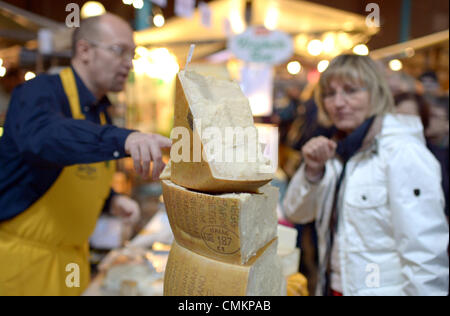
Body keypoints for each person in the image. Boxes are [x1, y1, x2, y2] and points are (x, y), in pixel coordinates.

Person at [0, 13, 171, 296]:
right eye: (119, 51)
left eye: (133, 54)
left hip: (73, 264)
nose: (128, 63)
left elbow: (70, 176)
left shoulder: (100, 112)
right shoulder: (38, 93)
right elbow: (46, 139)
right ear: (84, 50)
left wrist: (111, 202)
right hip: (21, 267)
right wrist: (125, 138)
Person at [282, 54, 449, 296]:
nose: (338, 102)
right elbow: (296, 212)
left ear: (375, 93)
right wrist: (312, 172)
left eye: (351, 91)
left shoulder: (403, 152)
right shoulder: (338, 151)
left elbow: (425, 252)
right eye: (330, 94)